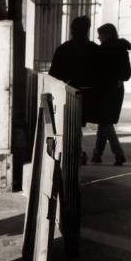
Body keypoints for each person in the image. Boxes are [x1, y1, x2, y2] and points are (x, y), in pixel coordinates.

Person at [49, 16, 99, 164]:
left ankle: (77, 152)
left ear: (72, 30)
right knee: (78, 126)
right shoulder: (94, 49)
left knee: (70, 125)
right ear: (87, 30)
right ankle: (80, 152)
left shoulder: (64, 49)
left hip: (68, 91)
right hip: (89, 93)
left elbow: (54, 74)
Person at [90, 23, 131, 166]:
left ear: (107, 35)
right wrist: (118, 79)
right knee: (104, 122)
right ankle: (97, 154)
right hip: (116, 90)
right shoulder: (122, 49)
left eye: (100, 34)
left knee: (105, 122)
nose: (98, 37)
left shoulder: (102, 50)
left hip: (103, 90)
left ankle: (118, 153)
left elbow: (96, 72)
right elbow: (127, 73)